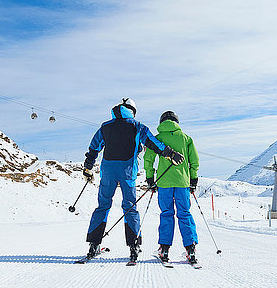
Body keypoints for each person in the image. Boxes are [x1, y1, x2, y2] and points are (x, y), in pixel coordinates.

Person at [82, 99, 184, 262]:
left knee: (103, 206)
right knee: (130, 207)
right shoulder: (137, 126)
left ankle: (93, 245)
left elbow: (94, 147)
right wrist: (170, 154)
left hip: (107, 172)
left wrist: (88, 166)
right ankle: (134, 247)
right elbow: (153, 142)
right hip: (127, 173)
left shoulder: (105, 126)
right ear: (133, 111)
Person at [144, 110, 200, 264]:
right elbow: (194, 162)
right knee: (184, 213)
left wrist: (150, 178)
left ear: (161, 122)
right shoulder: (186, 138)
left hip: (164, 183)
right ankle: (191, 250)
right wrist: (193, 180)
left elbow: (148, 159)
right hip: (182, 183)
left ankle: (164, 250)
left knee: (167, 213)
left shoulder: (157, 138)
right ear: (177, 122)